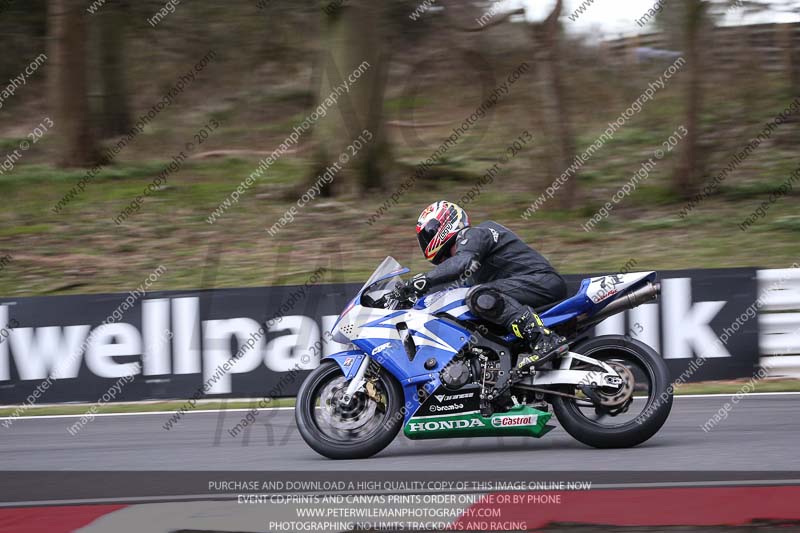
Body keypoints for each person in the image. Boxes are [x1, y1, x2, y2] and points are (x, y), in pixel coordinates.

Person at [398, 200, 569, 371]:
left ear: (444, 225)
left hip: (541, 281)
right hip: (527, 286)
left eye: (428, 234)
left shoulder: (474, 235)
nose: (425, 240)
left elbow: (461, 263)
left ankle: (544, 340)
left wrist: (422, 280)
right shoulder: (470, 263)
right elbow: (452, 290)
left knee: (479, 296)